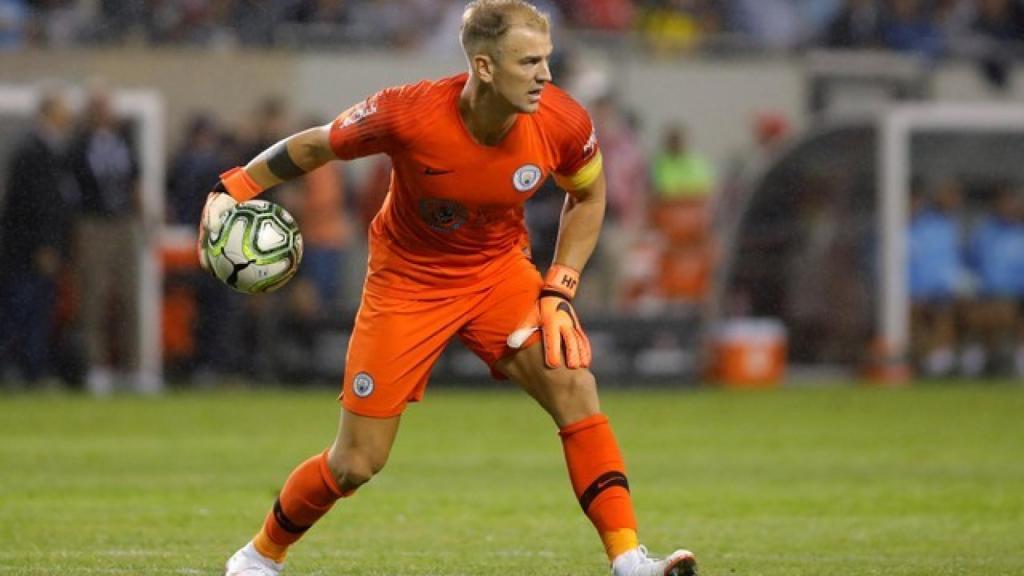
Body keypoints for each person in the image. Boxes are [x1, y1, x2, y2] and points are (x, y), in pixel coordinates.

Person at [201, 2, 697, 575]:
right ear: (484, 67)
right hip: (407, 283)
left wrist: (559, 288)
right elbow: (316, 146)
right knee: (356, 463)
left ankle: (629, 560)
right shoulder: (407, 113)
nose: (545, 75)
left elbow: (590, 195)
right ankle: (258, 558)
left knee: (574, 386)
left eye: (547, 60)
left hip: (498, 272)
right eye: (528, 61)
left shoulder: (563, 121)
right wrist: (229, 188)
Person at [66, 82, 142, 395]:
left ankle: (134, 368)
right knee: (93, 298)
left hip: (123, 224)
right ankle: (95, 368)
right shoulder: (79, 145)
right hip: (93, 224)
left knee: (129, 297)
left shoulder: (124, 141)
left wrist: (144, 217)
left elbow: (135, 181)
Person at [0, 86, 76, 383]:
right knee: (22, 310)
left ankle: (32, 369)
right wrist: (43, 245)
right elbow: (33, 204)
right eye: (62, 110)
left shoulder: (53, 151)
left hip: (43, 247)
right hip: (27, 251)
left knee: (39, 311)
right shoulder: (32, 152)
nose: (68, 116)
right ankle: (17, 369)